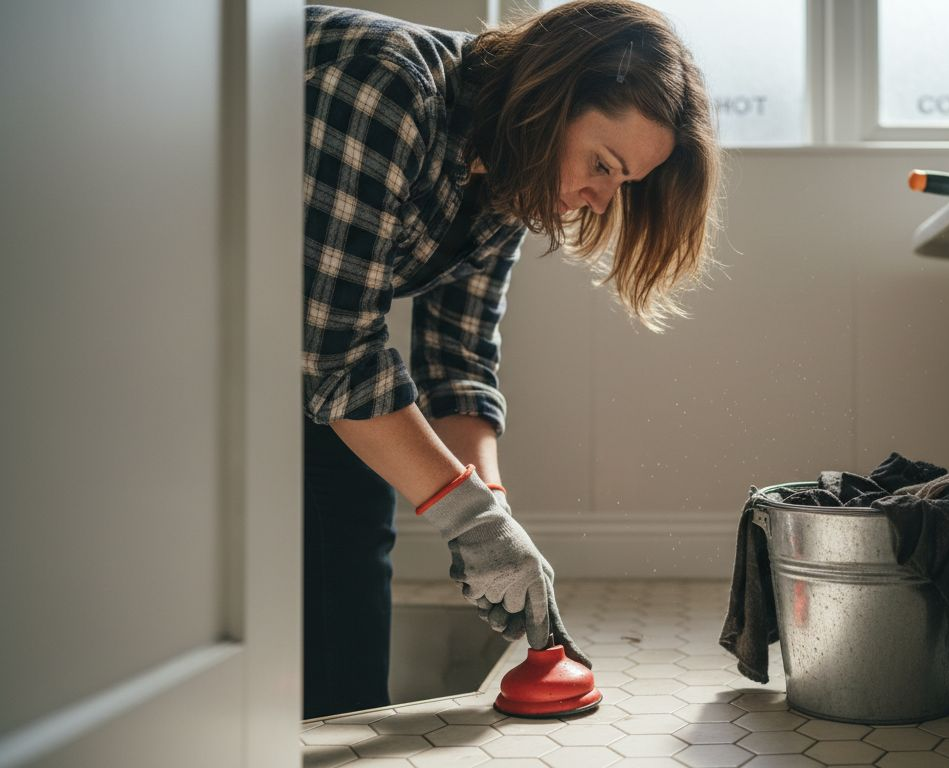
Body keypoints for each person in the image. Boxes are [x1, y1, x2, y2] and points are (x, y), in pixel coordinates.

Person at [301, 0, 719, 719]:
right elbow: (336, 355)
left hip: (277, 335)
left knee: (353, 507)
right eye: (602, 164)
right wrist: (466, 518)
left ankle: (332, 725)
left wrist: (493, 516)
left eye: (622, 184)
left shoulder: (508, 175)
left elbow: (457, 360)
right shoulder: (391, 88)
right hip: (134, 302)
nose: (600, 200)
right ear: (549, 99)